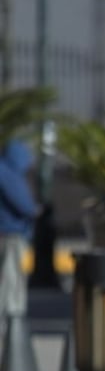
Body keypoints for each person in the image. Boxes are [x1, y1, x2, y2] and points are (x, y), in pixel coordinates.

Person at [0, 139, 38, 344]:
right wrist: (36, 211)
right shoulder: (8, 174)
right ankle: (12, 327)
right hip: (10, 235)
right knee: (11, 283)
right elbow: (24, 205)